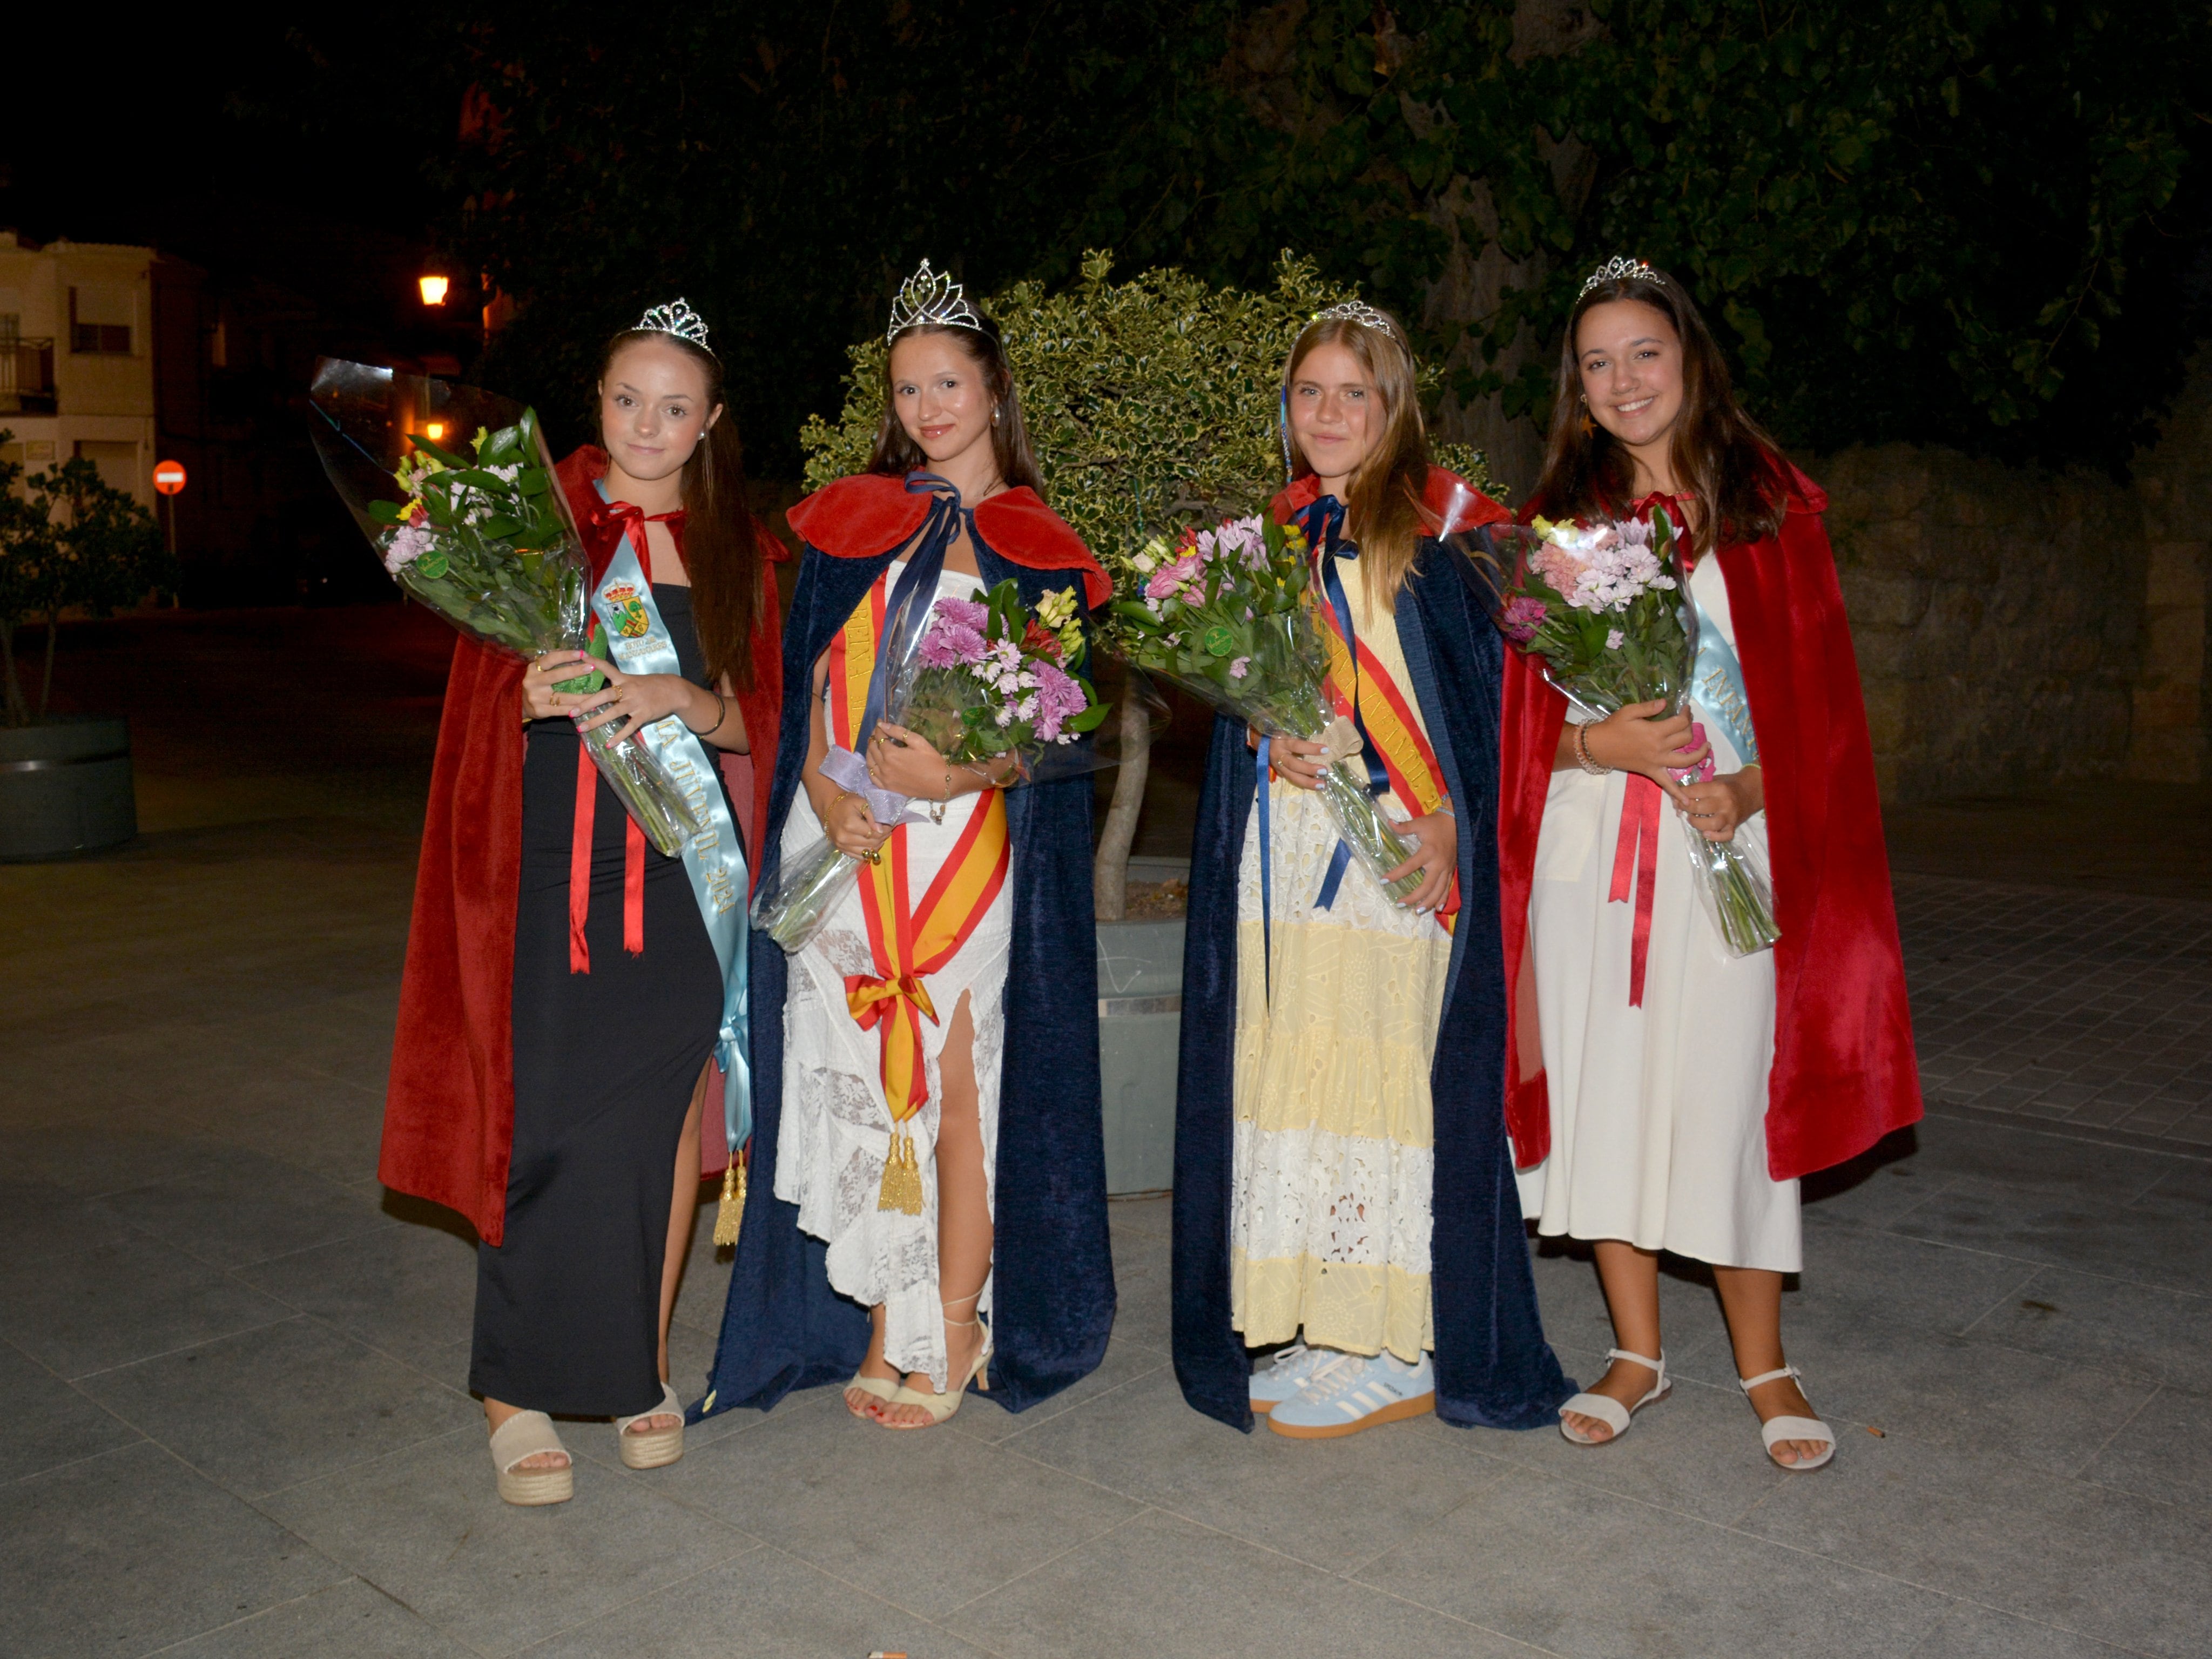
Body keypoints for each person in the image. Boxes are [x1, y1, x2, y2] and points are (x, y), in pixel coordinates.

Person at [1500, 258, 1921, 1471]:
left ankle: (1764, 1359)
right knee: (1604, 1089)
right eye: (1596, 362)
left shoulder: (1768, 512)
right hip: (1591, 853)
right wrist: (1598, 741)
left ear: (1688, 358)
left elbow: (1824, 715)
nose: (1623, 380)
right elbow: (1519, 726)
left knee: (1733, 1090)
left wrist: (1750, 787)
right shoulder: (1556, 531)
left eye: (1643, 353)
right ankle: (1635, 1352)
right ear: (1573, 389)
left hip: (1727, 846)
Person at [377, 299, 785, 1504]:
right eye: (626, 400)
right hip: (547, 856)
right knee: (542, 1112)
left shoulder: (738, 551)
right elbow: (468, 717)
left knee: (663, 1123)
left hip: (680, 866)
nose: (647, 425)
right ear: (595, 402)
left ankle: (638, 1365)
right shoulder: (527, 526)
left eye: (675, 407)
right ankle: (516, 1386)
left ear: (710, 422)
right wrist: (527, 703)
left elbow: (764, 721)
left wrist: (685, 704)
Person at [700, 260, 1114, 1429]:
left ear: (991, 389)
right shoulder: (854, 521)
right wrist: (829, 800)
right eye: (907, 389)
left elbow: (1062, 733)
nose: (929, 408)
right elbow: (815, 676)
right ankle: (889, 1324)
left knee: (959, 1085)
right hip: (846, 841)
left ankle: (961, 1320)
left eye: (948, 381)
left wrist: (962, 769)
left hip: (967, 850)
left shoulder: (1039, 545)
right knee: (863, 1093)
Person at [1172, 301, 1574, 1439]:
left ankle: (1398, 1340)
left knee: (1385, 1080)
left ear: (1392, 408)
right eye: (1310, 392)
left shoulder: (1440, 542)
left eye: (1354, 393)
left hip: (1395, 857)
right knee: (1298, 1075)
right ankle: (1322, 1314)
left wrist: (1456, 827)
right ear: (1286, 409)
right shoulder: (1272, 539)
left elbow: (1487, 718)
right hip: (1291, 846)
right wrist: (1264, 739)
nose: (1329, 413)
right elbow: (1251, 694)